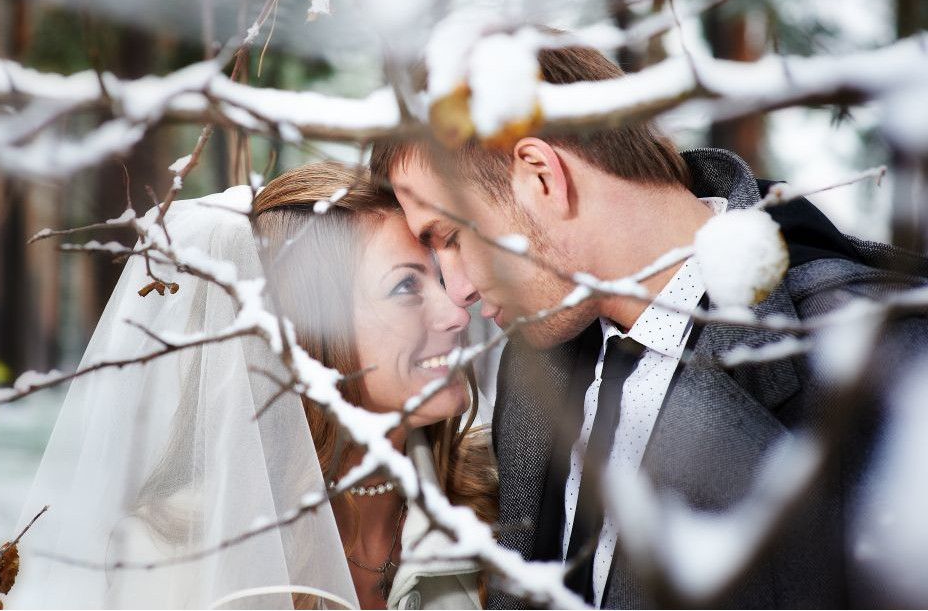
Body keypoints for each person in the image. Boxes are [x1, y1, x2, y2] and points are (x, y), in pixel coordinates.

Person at [370, 41, 928, 608]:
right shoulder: (535, 360)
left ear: (540, 175)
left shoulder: (881, 357)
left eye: (453, 237)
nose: (458, 289)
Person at [11, 161, 496, 610]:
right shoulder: (175, 553)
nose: (457, 312)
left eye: (439, 277)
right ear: (308, 336)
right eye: (407, 287)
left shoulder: (498, 494)